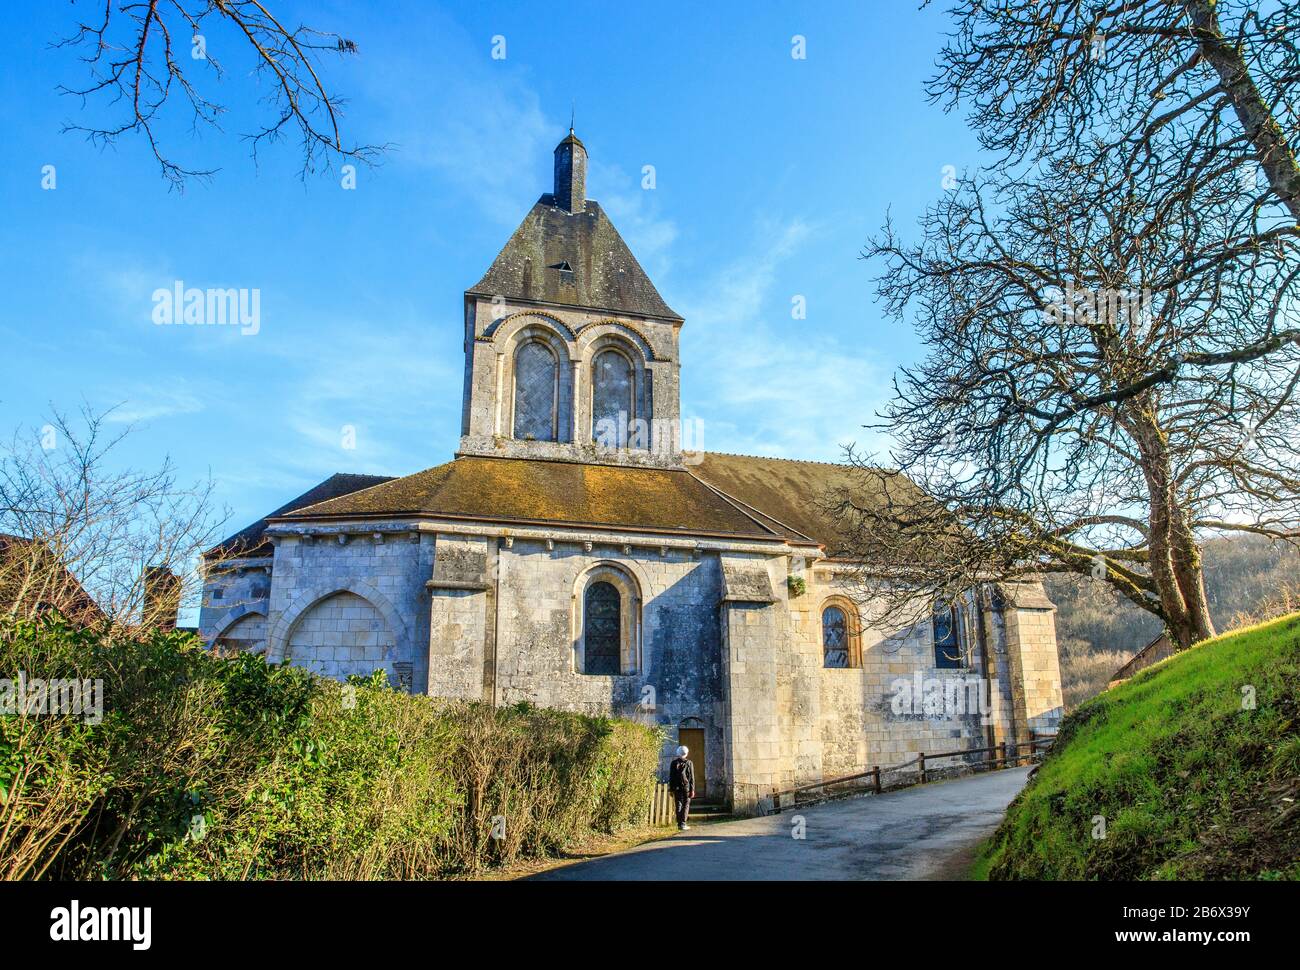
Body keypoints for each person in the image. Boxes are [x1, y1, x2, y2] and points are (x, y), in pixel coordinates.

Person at [668, 744, 695, 831]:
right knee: (686, 804)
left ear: (678, 753)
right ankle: (683, 823)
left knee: (678, 804)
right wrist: (692, 789)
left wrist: (671, 789)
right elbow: (691, 777)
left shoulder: (673, 763)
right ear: (686, 753)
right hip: (686, 787)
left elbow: (671, 777)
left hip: (676, 788)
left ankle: (679, 824)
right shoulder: (689, 763)